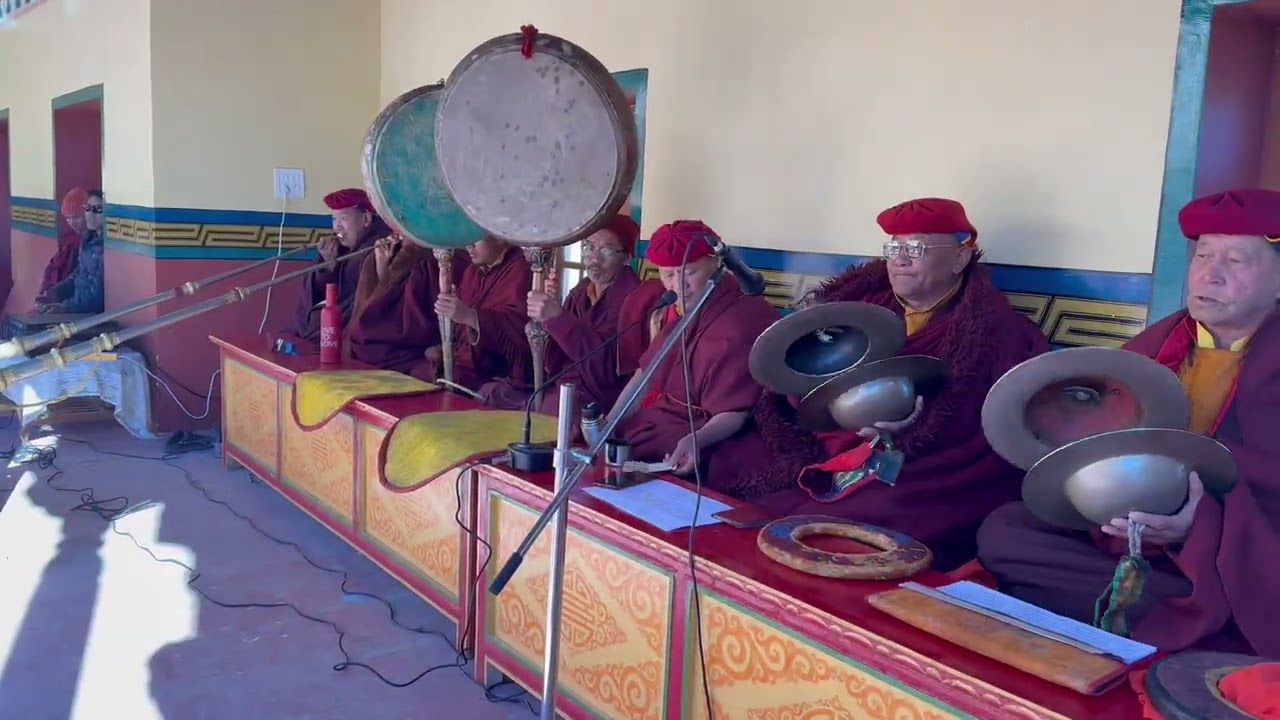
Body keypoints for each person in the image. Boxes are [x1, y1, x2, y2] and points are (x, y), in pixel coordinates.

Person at [977, 188, 1280, 657]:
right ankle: (1160, 623)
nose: (1210, 274)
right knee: (1004, 529)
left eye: (1236, 260)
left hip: (1227, 559)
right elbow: (1098, 436)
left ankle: (1180, 623)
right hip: (1132, 533)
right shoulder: (1158, 346)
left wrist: (1198, 528)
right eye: (1203, 255)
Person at [705, 198, 1049, 570]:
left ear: (960, 258)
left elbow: (987, 424)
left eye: (915, 248)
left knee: (886, 512)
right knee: (730, 459)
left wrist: (911, 429)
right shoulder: (856, 304)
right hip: (828, 437)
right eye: (893, 247)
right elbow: (799, 384)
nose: (899, 259)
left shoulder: (1000, 332)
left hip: (925, 460)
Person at [608, 219, 778, 473]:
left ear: (716, 263)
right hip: (667, 419)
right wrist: (609, 423)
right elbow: (645, 374)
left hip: (716, 430)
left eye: (689, 272)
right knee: (615, 441)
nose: (678, 286)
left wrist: (696, 440)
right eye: (668, 275)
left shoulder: (739, 321)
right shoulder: (687, 308)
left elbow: (736, 409)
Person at [483, 214, 643, 413]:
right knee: (491, 393)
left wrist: (558, 318)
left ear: (626, 257)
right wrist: (546, 323)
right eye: (589, 247)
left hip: (596, 400)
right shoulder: (581, 291)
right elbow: (555, 360)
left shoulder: (635, 299)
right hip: (561, 387)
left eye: (607, 250)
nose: (594, 258)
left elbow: (607, 370)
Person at [421, 235, 533, 391]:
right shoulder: (472, 272)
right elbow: (458, 328)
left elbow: (518, 329)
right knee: (422, 373)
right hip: (466, 361)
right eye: (468, 237)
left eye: (476, 238)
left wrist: (470, 316)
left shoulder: (522, 268)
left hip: (500, 370)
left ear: (499, 238)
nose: (469, 245)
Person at [343, 234, 467, 375]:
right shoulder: (388, 250)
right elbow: (377, 301)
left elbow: (412, 321)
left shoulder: (434, 260)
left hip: (413, 343)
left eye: (343, 219)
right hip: (384, 335)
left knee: (368, 339)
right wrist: (382, 267)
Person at [282, 189, 389, 342]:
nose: (337, 227)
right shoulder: (341, 248)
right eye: (334, 219)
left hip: (354, 331)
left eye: (343, 218)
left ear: (366, 219)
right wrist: (328, 265)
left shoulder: (380, 246)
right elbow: (317, 293)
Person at [36, 189, 106, 314]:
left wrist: (65, 308)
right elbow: (77, 274)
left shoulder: (106, 248)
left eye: (98, 210)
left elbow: (95, 297)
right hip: (74, 304)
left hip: (87, 313)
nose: (90, 214)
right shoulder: (87, 239)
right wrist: (55, 293)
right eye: (88, 208)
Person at [39, 187, 89, 295]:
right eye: (68, 218)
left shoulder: (91, 242)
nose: (72, 223)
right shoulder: (67, 242)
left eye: (76, 217)